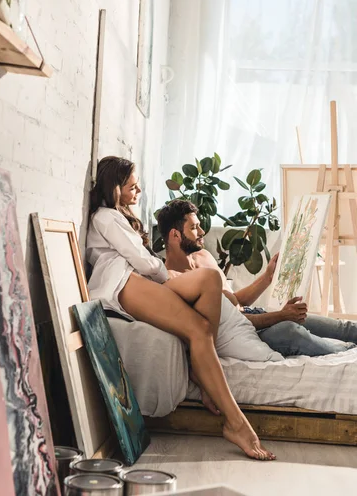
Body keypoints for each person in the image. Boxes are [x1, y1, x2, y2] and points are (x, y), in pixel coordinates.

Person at [86, 156, 276, 460]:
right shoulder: (105, 217)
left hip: (139, 278)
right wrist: (168, 274)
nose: (138, 191)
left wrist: (165, 274)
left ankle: (205, 379)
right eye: (132, 186)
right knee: (198, 327)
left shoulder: (118, 217)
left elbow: (146, 262)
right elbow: (141, 259)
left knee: (210, 282)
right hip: (122, 283)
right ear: (114, 187)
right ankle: (237, 423)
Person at [158, 199, 357, 357]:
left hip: (255, 314)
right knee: (291, 332)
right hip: (244, 331)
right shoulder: (174, 282)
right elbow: (224, 322)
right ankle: (347, 352)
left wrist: (267, 277)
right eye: (194, 228)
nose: (202, 232)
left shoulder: (203, 256)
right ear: (175, 235)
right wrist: (281, 315)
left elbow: (235, 301)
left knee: (342, 326)